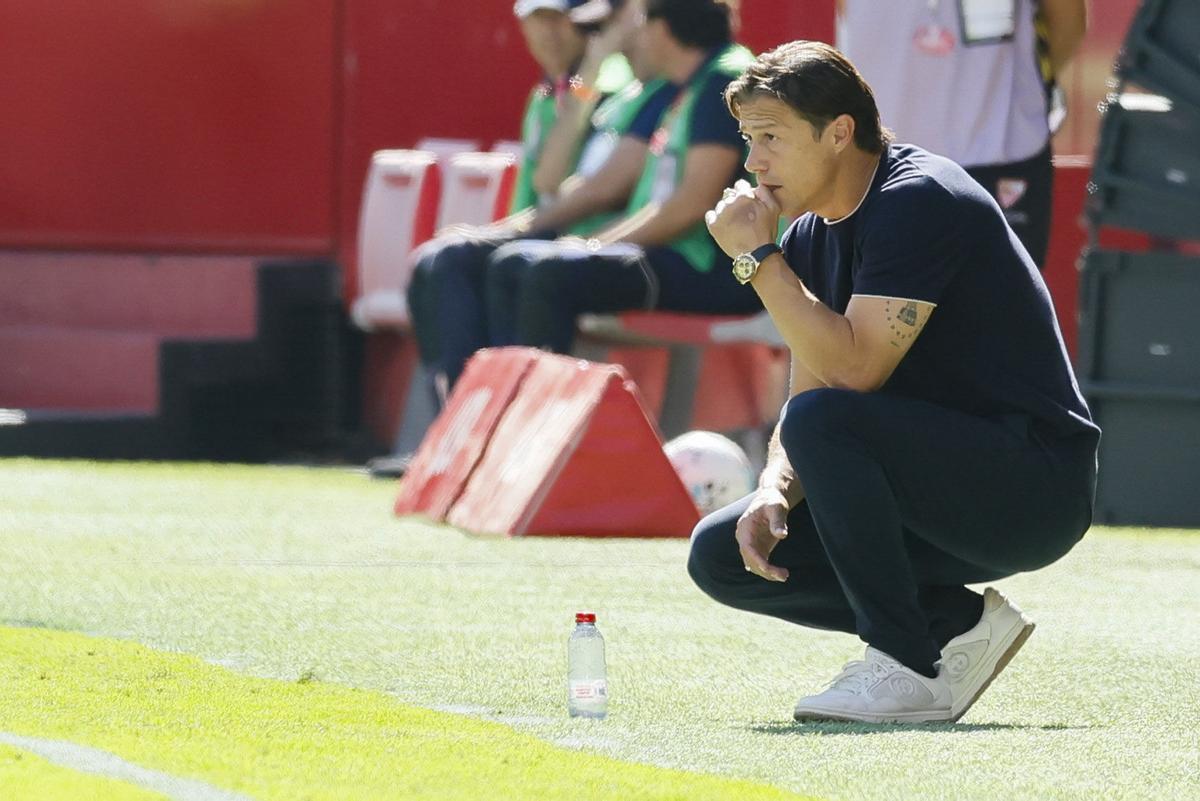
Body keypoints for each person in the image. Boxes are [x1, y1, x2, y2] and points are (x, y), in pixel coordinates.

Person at [689, 41, 1099, 724]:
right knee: (722, 553)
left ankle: (905, 664)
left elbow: (852, 372)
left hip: (1031, 486)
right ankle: (956, 624)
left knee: (829, 419)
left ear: (840, 131)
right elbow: (806, 399)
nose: (753, 162)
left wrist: (757, 260)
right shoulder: (808, 239)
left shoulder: (920, 197)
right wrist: (772, 490)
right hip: (933, 489)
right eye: (747, 140)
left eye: (771, 138)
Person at [406, 0, 676, 394]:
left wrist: (588, 75)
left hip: (584, 237)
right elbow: (549, 184)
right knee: (435, 262)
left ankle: (488, 404)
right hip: (558, 231)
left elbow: (573, 187)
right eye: (538, 20)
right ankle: (462, 407)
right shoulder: (563, 89)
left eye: (561, 20)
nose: (551, 33)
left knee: (467, 261)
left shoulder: (612, 86)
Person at [483, 0, 762, 358]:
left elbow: (692, 204)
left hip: (713, 270)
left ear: (662, 29)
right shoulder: (691, 84)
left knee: (547, 272)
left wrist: (595, 247)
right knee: (516, 264)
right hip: (673, 257)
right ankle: (507, 395)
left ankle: (544, 406)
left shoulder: (723, 82)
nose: (635, 36)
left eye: (642, 23)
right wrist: (595, 244)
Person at [836, 0, 1088, 268]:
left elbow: (1068, 20)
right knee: (864, 304)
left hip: (1001, 154)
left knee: (996, 306)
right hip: (877, 161)